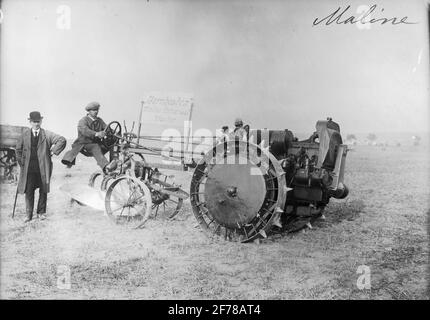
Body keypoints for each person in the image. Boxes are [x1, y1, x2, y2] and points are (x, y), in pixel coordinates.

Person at [16, 111, 66, 222]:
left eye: (38, 121)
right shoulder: (24, 135)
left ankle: (41, 213)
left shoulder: (46, 134)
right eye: (34, 122)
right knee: (29, 192)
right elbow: (18, 150)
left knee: (43, 191)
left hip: (43, 169)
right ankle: (28, 215)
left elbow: (61, 140)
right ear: (30, 122)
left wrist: (52, 152)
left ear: (41, 121)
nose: (36, 124)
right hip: (29, 169)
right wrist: (22, 164)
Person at [61, 102, 116, 173]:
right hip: (84, 144)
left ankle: (113, 163)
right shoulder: (83, 121)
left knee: (112, 143)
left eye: (97, 110)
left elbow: (107, 128)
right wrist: (96, 134)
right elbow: (85, 131)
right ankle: (106, 167)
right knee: (95, 147)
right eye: (94, 110)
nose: (96, 112)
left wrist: (115, 133)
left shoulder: (99, 120)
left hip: (95, 143)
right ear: (89, 111)